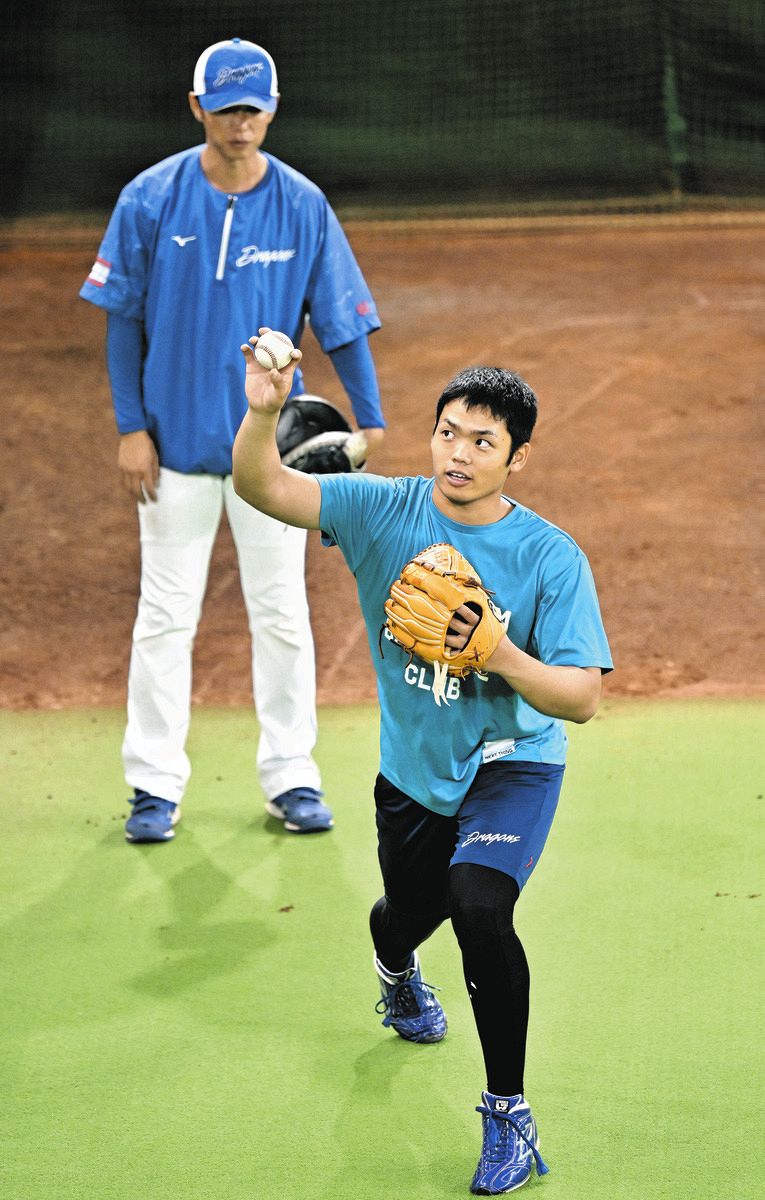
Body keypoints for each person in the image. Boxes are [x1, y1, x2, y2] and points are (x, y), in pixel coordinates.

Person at [232, 336, 612, 1193]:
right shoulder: (383, 509)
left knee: (479, 905)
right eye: (448, 433)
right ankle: (396, 969)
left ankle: (508, 1114)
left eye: (483, 441)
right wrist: (262, 413)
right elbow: (263, 487)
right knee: (406, 911)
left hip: (513, 762)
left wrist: (500, 654)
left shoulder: (551, 557)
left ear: (518, 455)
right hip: (413, 771)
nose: (460, 453)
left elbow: (581, 698)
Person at [79, 39, 385, 843]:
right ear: (197, 108)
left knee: (281, 614)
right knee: (164, 615)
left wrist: (372, 413)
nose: (239, 123)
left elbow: (341, 318)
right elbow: (123, 322)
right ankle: (153, 786)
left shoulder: (302, 204)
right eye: (225, 108)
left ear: (272, 110)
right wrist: (129, 428)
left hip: (268, 455)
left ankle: (292, 777)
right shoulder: (150, 199)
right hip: (173, 447)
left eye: (252, 108)